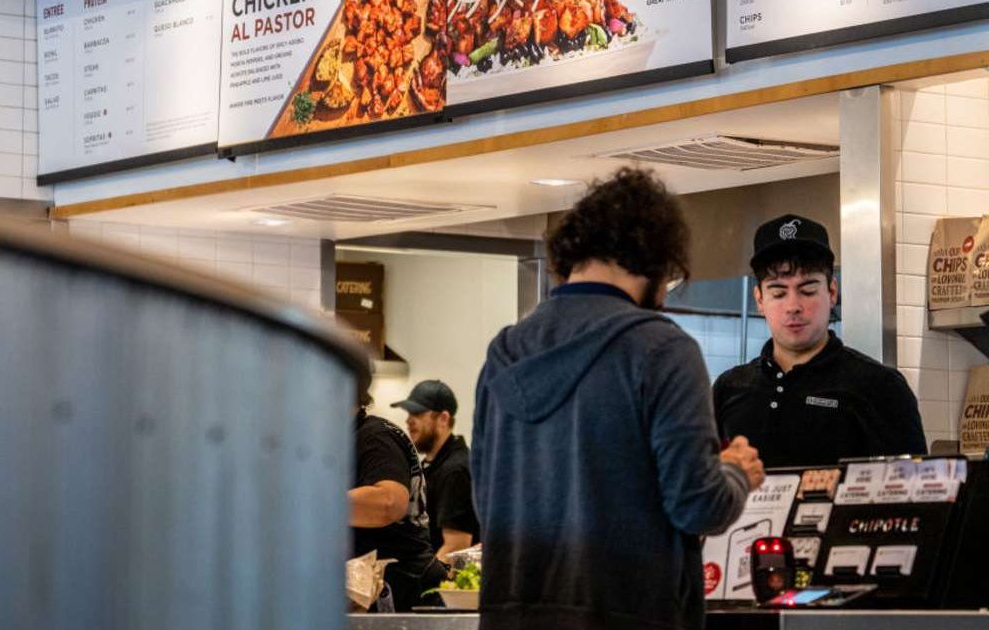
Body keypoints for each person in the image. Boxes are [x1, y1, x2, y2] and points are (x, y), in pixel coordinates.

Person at [472, 167, 764, 630]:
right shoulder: (661, 349)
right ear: (654, 257)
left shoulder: (504, 352)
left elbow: (486, 503)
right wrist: (736, 472)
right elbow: (697, 505)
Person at [713, 214, 927, 468]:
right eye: (778, 293)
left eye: (808, 290)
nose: (793, 306)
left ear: (832, 291)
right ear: (759, 299)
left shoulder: (881, 387)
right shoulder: (729, 388)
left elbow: (915, 493)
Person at [351, 387, 445, 612]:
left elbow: (388, 502)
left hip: (404, 591)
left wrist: (305, 502)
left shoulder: (374, 436)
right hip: (376, 592)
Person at [392, 379, 480, 563]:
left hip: (443, 588)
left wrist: (422, 584)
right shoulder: (432, 466)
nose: (408, 420)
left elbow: (457, 545)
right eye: (409, 413)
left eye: (417, 413)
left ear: (443, 419)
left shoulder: (455, 470)